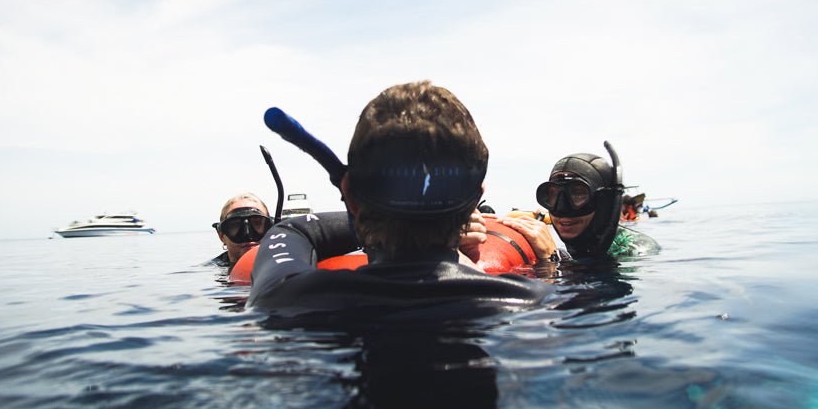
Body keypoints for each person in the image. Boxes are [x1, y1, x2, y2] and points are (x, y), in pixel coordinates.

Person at [247, 81, 549, 313]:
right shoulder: (536, 305)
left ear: (351, 196)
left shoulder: (285, 300)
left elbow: (293, 229)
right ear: (474, 200)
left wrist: (370, 218)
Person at [534, 144, 660, 259]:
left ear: (604, 201)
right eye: (553, 195)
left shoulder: (637, 250)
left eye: (578, 194)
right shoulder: (572, 246)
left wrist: (553, 260)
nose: (562, 208)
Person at [211, 193, 273, 266]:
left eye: (257, 223)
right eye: (236, 225)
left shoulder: (284, 264)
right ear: (221, 236)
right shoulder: (210, 269)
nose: (247, 234)